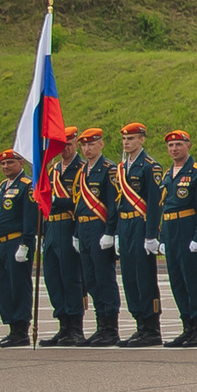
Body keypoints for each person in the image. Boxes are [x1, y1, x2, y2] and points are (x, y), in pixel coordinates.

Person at [157, 130, 197, 347]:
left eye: (179, 144)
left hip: (188, 229)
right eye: (171, 145)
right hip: (171, 231)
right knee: (177, 281)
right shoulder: (167, 174)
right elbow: (164, 207)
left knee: (192, 281)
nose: (174, 149)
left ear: (188, 146)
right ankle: (187, 326)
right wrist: (162, 237)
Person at [109, 124, 165, 348]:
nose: (126, 143)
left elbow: (154, 204)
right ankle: (139, 323)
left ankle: (151, 327)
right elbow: (117, 203)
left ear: (142, 140)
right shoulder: (122, 168)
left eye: (131, 139)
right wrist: (115, 233)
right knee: (129, 277)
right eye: (124, 139)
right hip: (125, 225)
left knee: (144, 277)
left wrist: (152, 234)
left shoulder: (150, 167)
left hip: (141, 225)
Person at [70, 126, 125, 347]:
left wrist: (110, 232)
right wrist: (75, 233)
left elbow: (113, 204)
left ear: (101, 144)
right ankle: (100, 326)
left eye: (91, 144)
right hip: (83, 230)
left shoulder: (108, 169)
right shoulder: (83, 171)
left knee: (104, 279)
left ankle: (110, 328)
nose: (87, 148)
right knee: (91, 280)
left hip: (100, 229)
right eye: (83, 144)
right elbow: (79, 205)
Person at [39, 129, 83, 346]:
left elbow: (83, 201)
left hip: (69, 225)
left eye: (69, 144)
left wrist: (59, 200)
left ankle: (75, 326)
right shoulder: (53, 170)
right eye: (61, 145)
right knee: (53, 278)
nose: (65, 149)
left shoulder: (81, 169)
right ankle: (63, 325)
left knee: (70, 277)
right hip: (52, 227)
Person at [0, 147, 36, 348]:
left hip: (17, 242)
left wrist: (26, 243)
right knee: (4, 287)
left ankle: (21, 330)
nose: (6, 166)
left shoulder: (26, 186)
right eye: (3, 164)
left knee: (18, 285)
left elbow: (30, 218)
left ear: (21, 163)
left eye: (10, 162)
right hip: (2, 244)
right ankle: (11, 327)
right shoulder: (2, 187)